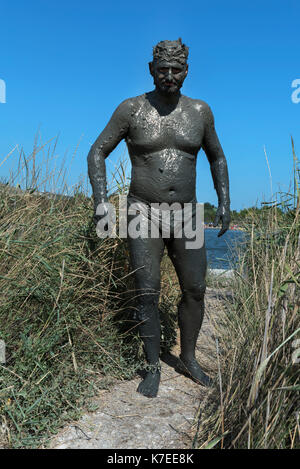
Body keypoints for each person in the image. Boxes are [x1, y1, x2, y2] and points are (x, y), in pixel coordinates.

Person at [87, 39, 230, 398]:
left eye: (176, 69)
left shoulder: (200, 111)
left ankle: (188, 358)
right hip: (142, 212)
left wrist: (224, 202)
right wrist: (101, 202)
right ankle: (152, 366)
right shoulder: (132, 109)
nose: (169, 76)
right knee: (147, 290)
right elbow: (98, 152)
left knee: (196, 289)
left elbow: (217, 157)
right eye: (162, 69)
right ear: (151, 70)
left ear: (186, 71)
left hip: (189, 214)